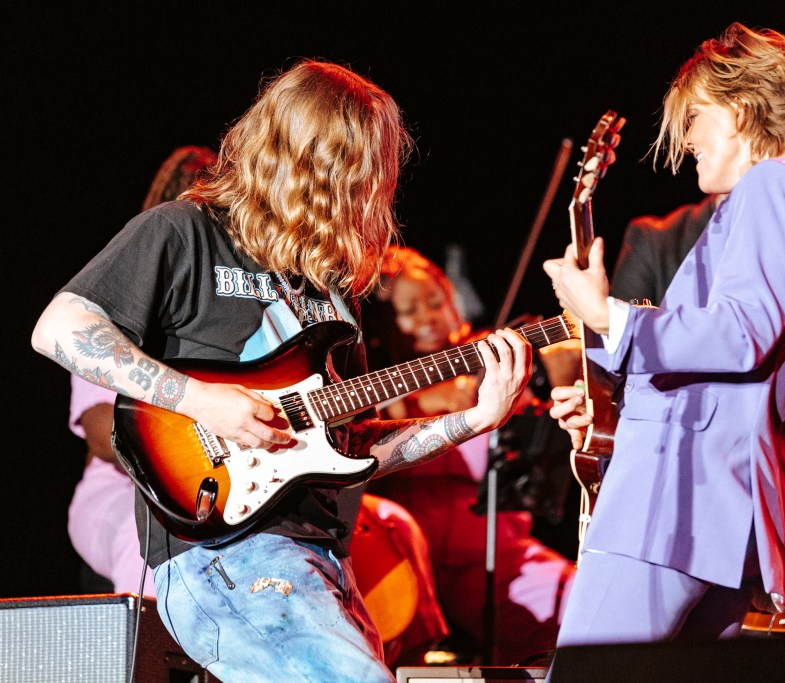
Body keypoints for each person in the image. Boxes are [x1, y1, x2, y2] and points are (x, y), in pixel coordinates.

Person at [32, 60, 531, 683]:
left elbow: (353, 447)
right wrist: (201, 402)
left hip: (321, 559)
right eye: (360, 170)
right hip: (221, 553)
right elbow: (58, 327)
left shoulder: (330, 295)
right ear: (308, 159)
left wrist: (472, 419)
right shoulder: (184, 232)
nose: (371, 192)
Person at [542, 22, 785, 651]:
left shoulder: (776, 184)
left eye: (696, 117)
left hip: (673, 508)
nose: (687, 139)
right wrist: (616, 406)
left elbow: (742, 335)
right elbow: (756, 372)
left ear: (741, 110)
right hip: (733, 516)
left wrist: (609, 317)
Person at [362, 245, 576, 665]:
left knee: (586, 608)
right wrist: (436, 395)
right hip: (403, 567)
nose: (428, 317)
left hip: (498, 555)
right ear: (385, 324)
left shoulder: (482, 353)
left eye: (435, 301)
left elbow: (564, 362)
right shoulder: (372, 383)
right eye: (409, 311)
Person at [67, 145, 218, 597]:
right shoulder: (120, 313)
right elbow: (101, 432)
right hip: (125, 490)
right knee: (148, 544)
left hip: (222, 489)